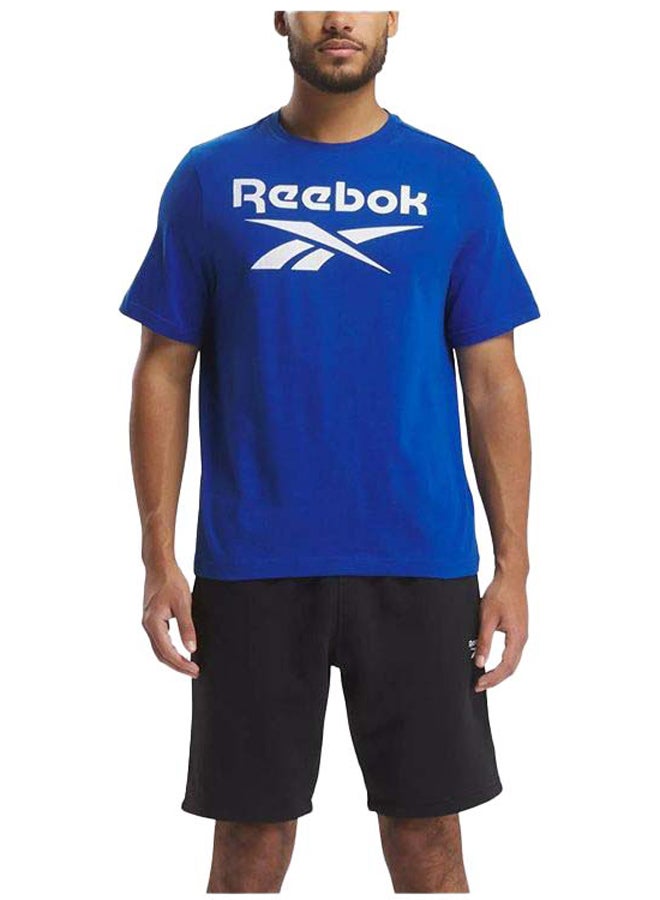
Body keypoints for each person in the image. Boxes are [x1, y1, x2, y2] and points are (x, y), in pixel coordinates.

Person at [119, 10, 540, 894]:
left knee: (429, 839)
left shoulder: (453, 180)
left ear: (394, 18)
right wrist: (157, 556)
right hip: (253, 560)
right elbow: (163, 368)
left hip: (420, 558)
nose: (338, 18)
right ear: (280, 16)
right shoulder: (210, 178)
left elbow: (492, 379)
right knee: (250, 842)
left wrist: (514, 564)